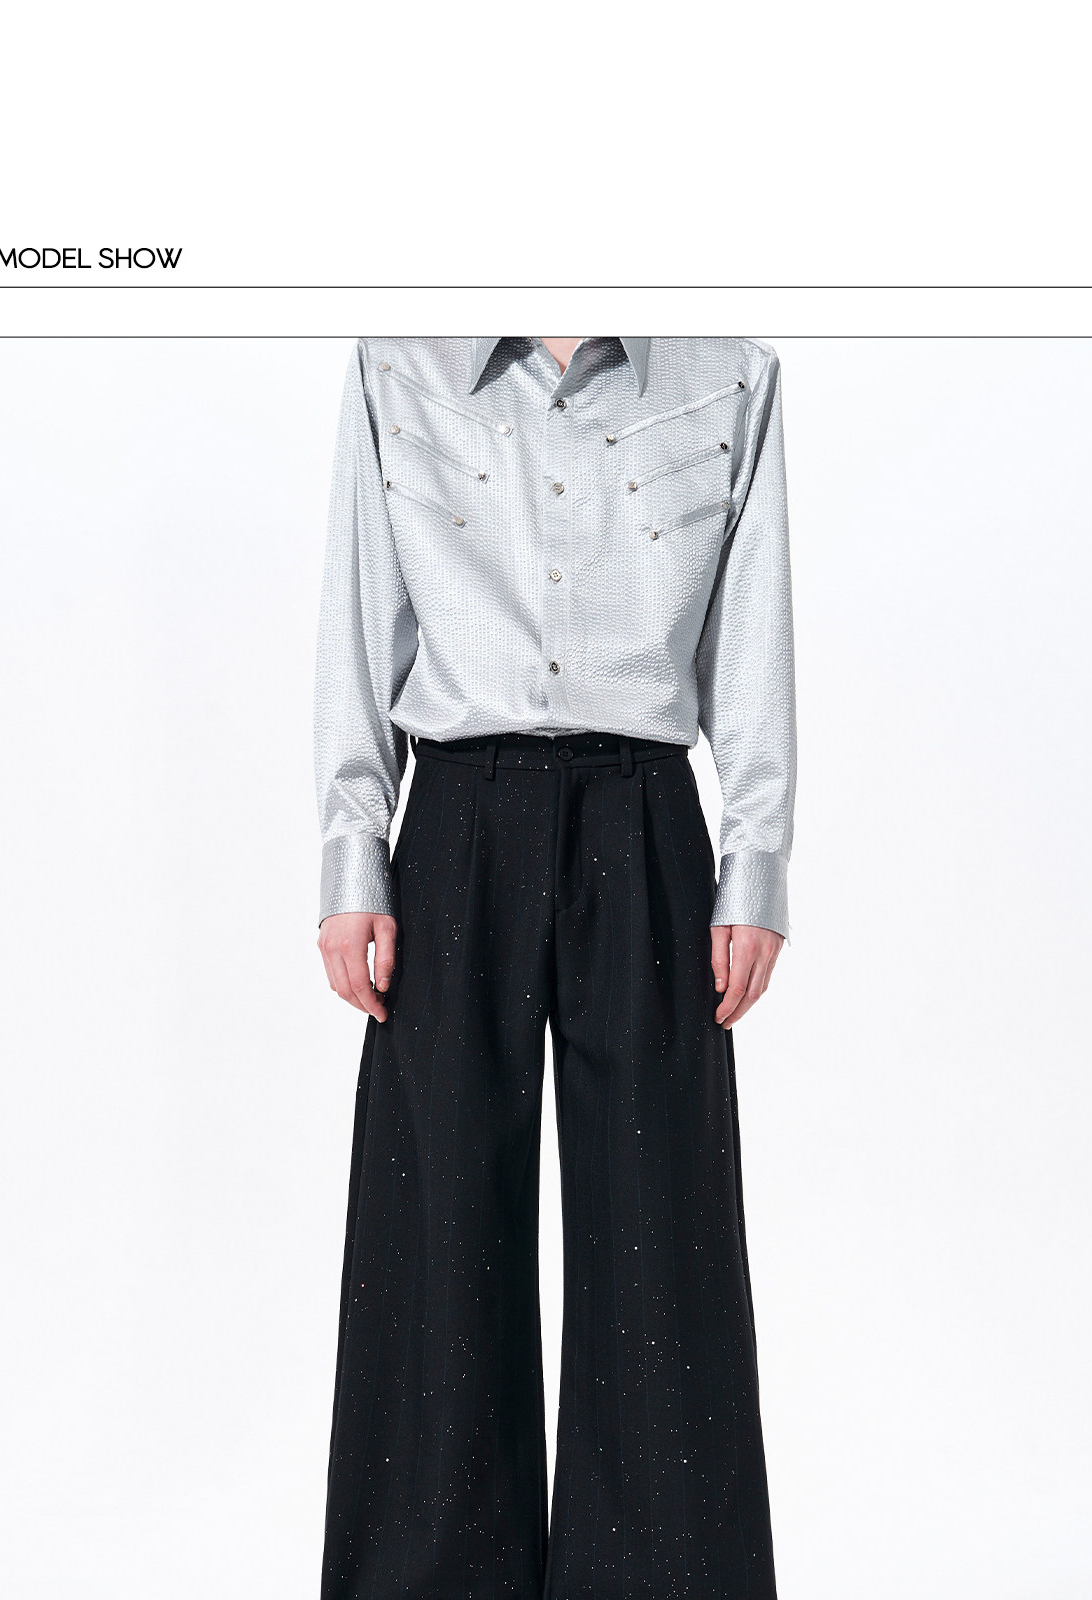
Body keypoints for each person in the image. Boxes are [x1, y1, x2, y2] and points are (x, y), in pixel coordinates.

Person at [313, 336, 796, 1600]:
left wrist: (755, 858)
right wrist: (352, 856)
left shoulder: (729, 377)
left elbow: (753, 629)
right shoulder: (399, 372)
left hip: (646, 818)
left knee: (664, 1231)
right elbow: (361, 618)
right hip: (454, 821)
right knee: (433, 1225)